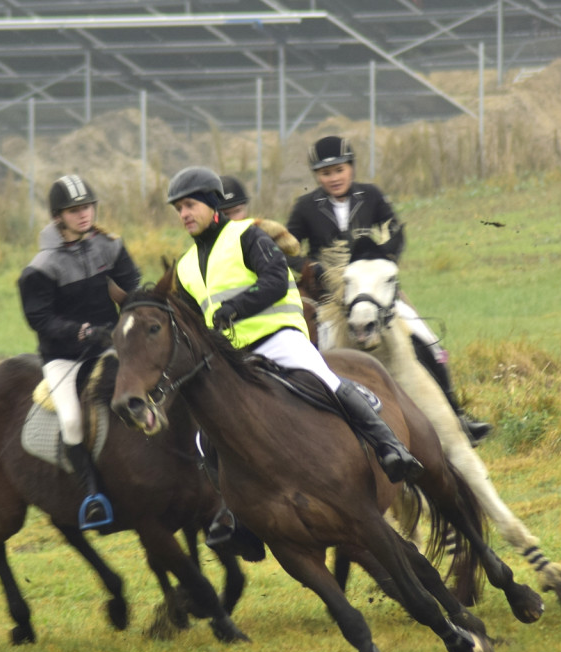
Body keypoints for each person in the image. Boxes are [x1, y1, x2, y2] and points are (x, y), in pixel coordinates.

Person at [166, 166, 424, 551]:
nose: (184, 214)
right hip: (236, 357)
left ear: (211, 203)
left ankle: (390, 448)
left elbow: (274, 280)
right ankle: (234, 514)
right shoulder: (185, 265)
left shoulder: (246, 235)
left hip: (278, 338)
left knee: (328, 381)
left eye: (190, 205)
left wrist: (234, 308)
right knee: (207, 438)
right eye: (178, 209)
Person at [286, 135, 492, 444]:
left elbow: (396, 229)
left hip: (375, 292)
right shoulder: (305, 207)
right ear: (317, 176)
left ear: (351, 168)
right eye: (326, 173)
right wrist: (309, 267)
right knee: (323, 353)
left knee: (427, 339)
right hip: (332, 300)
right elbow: (286, 248)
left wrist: (386, 259)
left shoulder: (371, 196)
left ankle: (456, 413)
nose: (334, 178)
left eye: (339, 170)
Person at [18, 174, 141, 528]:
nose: (83, 215)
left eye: (87, 207)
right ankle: (92, 495)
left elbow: (132, 286)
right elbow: (40, 320)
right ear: (58, 217)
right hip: (64, 358)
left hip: (110, 346)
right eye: (74, 210)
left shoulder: (111, 246)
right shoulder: (41, 267)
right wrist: (83, 331)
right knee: (72, 420)